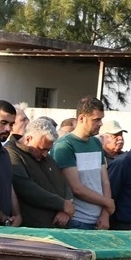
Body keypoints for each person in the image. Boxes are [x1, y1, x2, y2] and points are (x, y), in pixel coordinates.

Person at [52, 96, 113, 230]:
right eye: (96, 119)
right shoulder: (65, 146)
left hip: (98, 221)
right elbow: (77, 188)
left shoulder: (96, 143)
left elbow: (105, 181)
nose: (101, 124)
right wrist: (108, 203)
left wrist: (105, 213)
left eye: (101, 119)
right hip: (77, 220)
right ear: (81, 118)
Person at [6, 118, 74, 228]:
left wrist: (66, 208)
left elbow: (64, 183)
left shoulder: (45, 156)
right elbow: (26, 188)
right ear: (28, 139)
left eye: (48, 150)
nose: (45, 154)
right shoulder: (11, 153)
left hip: (56, 227)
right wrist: (62, 204)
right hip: (33, 229)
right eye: (42, 149)